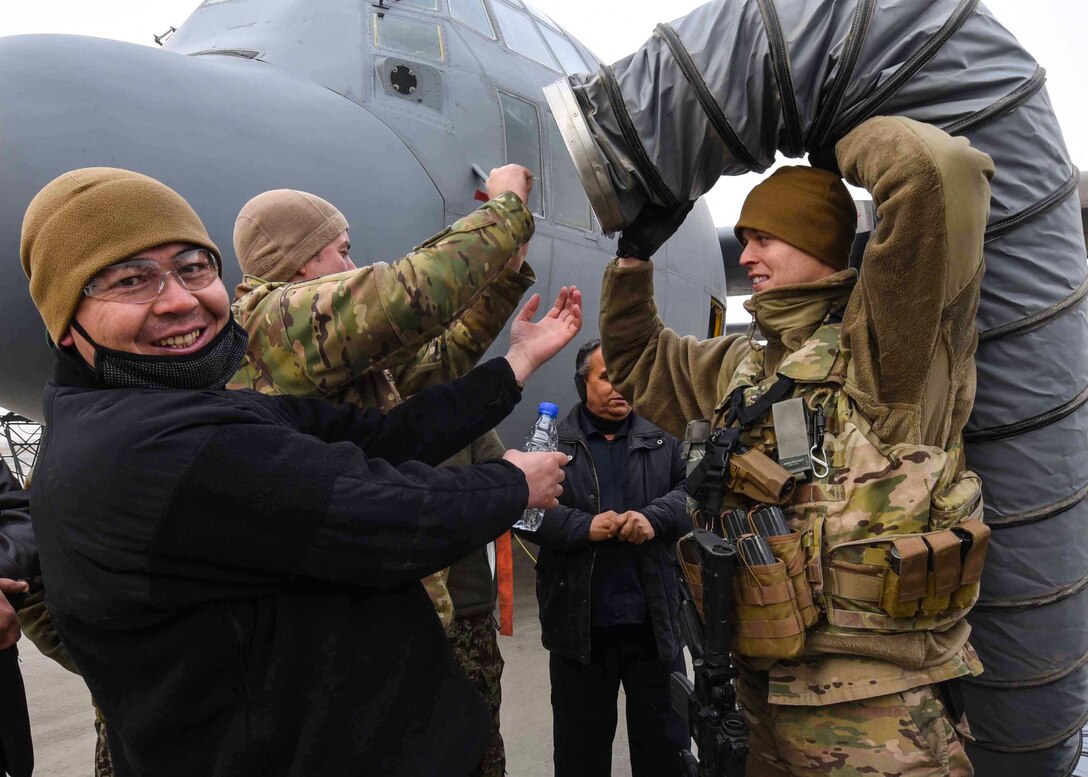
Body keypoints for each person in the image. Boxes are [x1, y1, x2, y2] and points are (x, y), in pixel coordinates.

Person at [19, 166, 579, 777]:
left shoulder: (169, 409)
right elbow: (381, 515)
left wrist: (517, 363)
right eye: (131, 281)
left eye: (193, 268)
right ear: (65, 321)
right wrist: (513, 484)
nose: (178, 299)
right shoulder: (158, 449)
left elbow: (384, 435)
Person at [598, 116, 993, 775]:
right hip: (756, 692)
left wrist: (831, 131)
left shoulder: (886, 351)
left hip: (875, 705)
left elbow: (938, 174)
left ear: (821, 242)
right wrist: (633, 260)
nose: (746, 255)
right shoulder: (743, 367)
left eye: (766, 238)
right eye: (744, 237)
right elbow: (638, 362)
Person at [231, 175, 540, 776]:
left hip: (379, 612)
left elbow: (434, 364)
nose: (354, 261)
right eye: (340, 250)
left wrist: (504, 281)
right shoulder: (276, 322)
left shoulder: (320, 352)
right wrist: (507, 210)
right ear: (297, 264)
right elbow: (412, 294)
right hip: (344, 629)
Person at [526, 338, 691, 777]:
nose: (620, 386)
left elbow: (694, 496)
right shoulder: (551, 442)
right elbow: (527, 516)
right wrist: (586, 527)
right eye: (606, 376)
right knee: (581, 757)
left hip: (655, 627)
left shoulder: (665, 435)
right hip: (580, 632)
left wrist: (653, 518)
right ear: (583, 384)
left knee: (665, 754)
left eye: (627, 375)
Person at [442, 431, 510, 777]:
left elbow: (503, 486)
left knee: (480, 745)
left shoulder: (458, 405)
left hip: (464, 611)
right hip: (373, 613)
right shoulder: (348, 402)